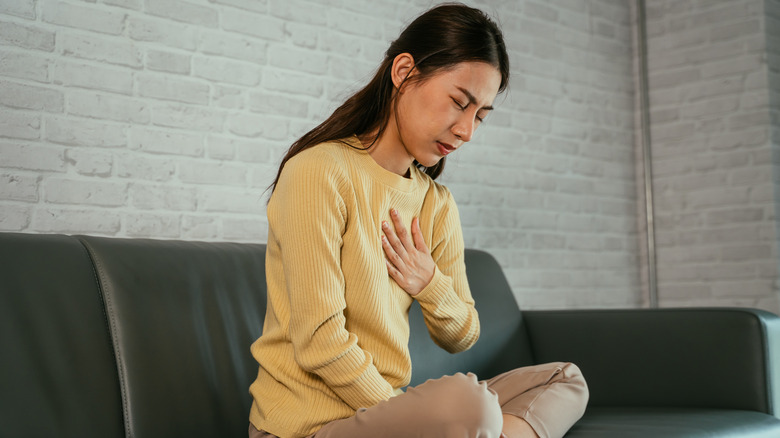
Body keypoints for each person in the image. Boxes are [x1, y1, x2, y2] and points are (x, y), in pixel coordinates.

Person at [248, 3, 589, 438]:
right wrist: (410, 415)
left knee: (565, 380)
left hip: (386, 417)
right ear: (404, 72)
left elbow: (463, 333)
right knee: (469, 407)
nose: (467, 130)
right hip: (308, 429)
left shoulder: (436, 204)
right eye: (459, 103)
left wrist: (428, 283)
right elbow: (320, 341)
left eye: (480, 115)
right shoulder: (319, 171)